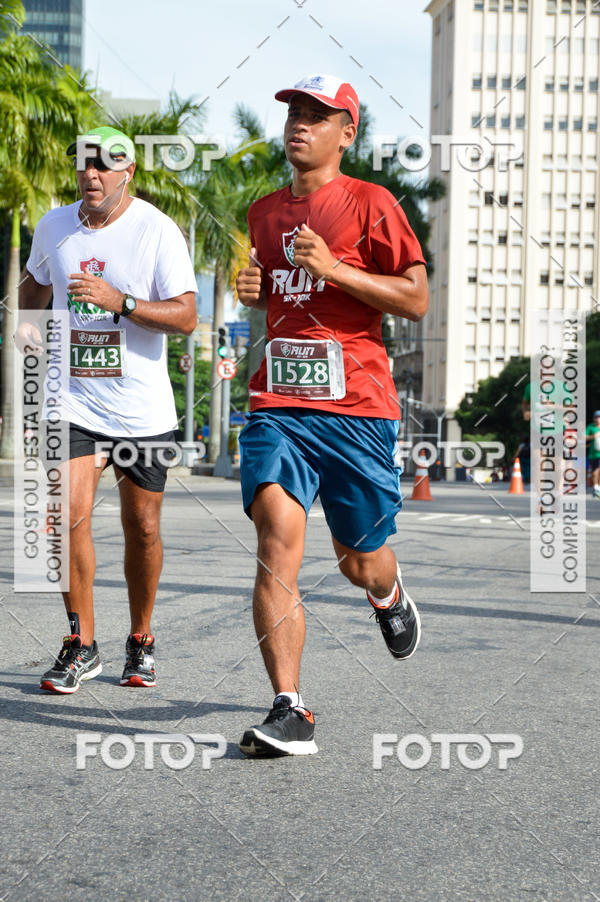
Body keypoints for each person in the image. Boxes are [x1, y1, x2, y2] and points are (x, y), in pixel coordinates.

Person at [234, 75, 428, 756]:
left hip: (357, 411)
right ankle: (290, 708)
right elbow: (272, 296)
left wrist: (338, 271)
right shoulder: (263, 213)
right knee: (276, 541)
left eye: (318, 116)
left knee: (358, 560)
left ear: (348, 132)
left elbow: (415, 299)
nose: (300, 125)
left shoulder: (372, 205)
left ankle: (388, 593)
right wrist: (252, 291)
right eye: (294, 113)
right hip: (279, 407)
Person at [19, 126, 197, 693]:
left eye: (105, 165)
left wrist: (119, 301)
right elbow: (34, 289)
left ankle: (141, 638)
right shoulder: (54, 226)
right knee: (59, 517)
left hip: (141, 410)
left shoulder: (157, 230)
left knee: (141, 528)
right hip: (69, 400)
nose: (91, 175)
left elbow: (187, 315)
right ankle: (81, 642)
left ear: (128, 174)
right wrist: (31, 314)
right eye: (84, 165)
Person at [585, 410, 600, 498]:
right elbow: (584, 437)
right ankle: (596, 488)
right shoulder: (591, 427)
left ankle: (598, 487)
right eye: (597, 417)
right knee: (595, 470)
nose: (598, 419)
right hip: (593, 453)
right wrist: (593, 436)